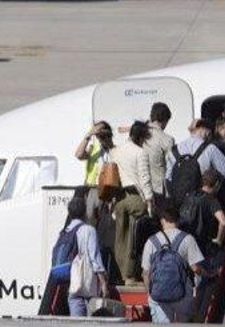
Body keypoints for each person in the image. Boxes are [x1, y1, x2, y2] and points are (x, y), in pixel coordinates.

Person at [142, 199, 206, 323]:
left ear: (162, 221)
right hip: (182, 294)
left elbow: (145, 273)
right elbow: (196, 268)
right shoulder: (187, 239)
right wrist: (208, 274)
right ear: (178, 220)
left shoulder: (151, 241)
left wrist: (150, 293)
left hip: (158, 295)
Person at [109, 121, 158, 283]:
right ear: (142, 137)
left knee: (120, 238)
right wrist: (150, 200)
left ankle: (121, 273)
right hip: (135, 197)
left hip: (119, 197)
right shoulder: (140, 152)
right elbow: (145, 178)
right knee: (133, 237)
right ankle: (130, 275)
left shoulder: (116, 151)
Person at [51, 194, 107, 316]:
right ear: (84, 212)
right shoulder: (89, 230)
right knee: (91, 326)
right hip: (87, 285)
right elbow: (95, 259)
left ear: (70, 213)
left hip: (72, 284)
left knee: (76, 326)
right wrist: (103, 283)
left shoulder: (66, 230)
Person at [180, 169, 225, 248]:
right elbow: (223, 222)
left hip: (184, 239)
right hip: (200, 243)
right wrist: (218, 240)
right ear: (216, 184)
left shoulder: (190, 195)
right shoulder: (211, 200)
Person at [75, 121, 115, 186]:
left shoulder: (117, 151)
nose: (101, 138)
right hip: (92, 187)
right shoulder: (93, 149)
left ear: (110, 135)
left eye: (104, 136)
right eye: (98, 136)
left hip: (109, 189)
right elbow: (79, 155)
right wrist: (89, 135)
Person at [145, 102, 176, 185]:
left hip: (139, 187)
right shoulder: (167, 140)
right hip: (158, 186)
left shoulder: (139, 134)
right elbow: (171, 166)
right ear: (165, 119)